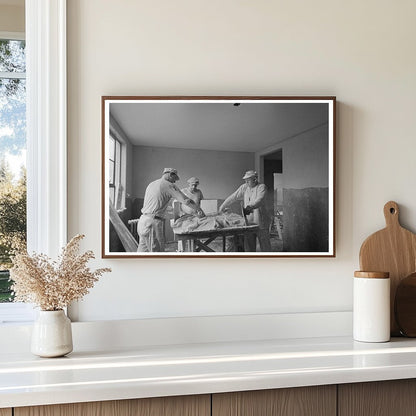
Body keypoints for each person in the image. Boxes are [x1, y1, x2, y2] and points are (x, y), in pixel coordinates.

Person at [137, 168, 204, 252]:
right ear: (170, 175)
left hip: (143, 221)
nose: (174, 182)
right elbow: (186, 201)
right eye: (174, 179)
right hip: (153, 223)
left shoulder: (152, 184)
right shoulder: (168, 185)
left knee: (142, 252)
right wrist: (200, 211)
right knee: (157, 253)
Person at [219, 170, 272, 252]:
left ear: (254, 179)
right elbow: (234, 196)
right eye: (245, 180)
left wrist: (250, 207)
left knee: (264, 245)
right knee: (249, 245)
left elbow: (260, 200)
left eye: (248, 180)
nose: (246, 182)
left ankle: (269, 260)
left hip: (261, 220)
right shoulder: (244, 187)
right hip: (249, 221)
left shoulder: (261, 187)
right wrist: (223, 205)